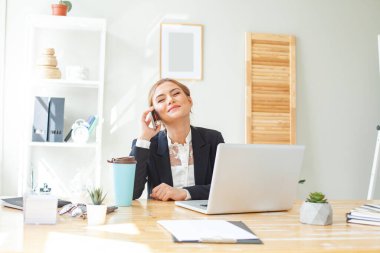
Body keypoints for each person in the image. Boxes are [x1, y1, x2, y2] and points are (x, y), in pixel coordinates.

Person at [130, 78, 224, 201]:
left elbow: (225, 188)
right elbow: (131, 193)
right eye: (161, 100)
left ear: (190, 101)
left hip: (204, 218)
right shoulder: (147, 144)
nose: (170, 100)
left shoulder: (213, 139)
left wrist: (185, 193)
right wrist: (144, 138)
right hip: (161, 217)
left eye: (176, 93)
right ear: (155, 114)